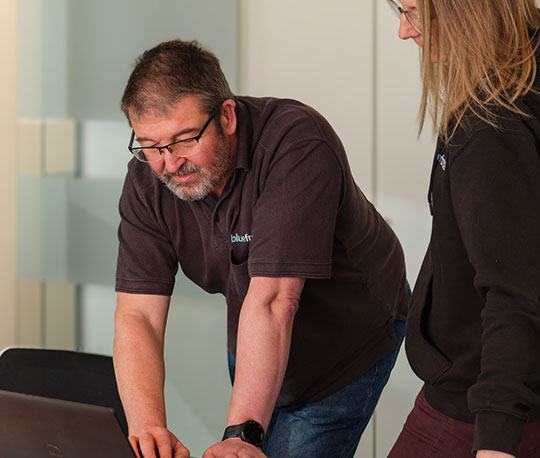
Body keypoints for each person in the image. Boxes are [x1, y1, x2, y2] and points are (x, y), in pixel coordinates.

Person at [113, 39, 409, 458]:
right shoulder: (149, 174)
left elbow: (274, 301)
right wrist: (147, 427)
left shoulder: (296, 145)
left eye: (184, 140)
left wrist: (241, 435)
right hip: (256, 328)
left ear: (227, 116)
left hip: (342, 339)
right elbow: (137, 314)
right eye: (149, 144)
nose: (169, 163)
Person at [385, 1, 540, 457]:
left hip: (477, 405)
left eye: (412, 10)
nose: (405, 31)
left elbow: (515, 294)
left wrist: (493, 439)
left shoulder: (491, 124)